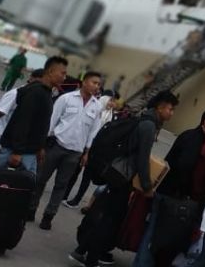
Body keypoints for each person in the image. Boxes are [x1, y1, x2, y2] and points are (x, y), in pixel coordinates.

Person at [72, 90, 179, 267]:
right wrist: (147, 186)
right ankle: (90, 259)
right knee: (109, 219)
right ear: (160, 108)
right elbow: (142, 159)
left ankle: (81, 250)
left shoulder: (145, 119)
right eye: (170, 109)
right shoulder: (148, 126)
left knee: (105, 214)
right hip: (123, 178)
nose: (171, 113)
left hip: (117, 175)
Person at [135, 106, 205, 267]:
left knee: (158, 236)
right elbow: (184, 167)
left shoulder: (203, 141)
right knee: (155, 237)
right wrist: (185, 194)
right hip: (172, 196)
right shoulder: (194, 140)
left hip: (176, 197)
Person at [31, 70, 106, 229]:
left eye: (99, 84)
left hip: (75, 153)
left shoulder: (97, 107)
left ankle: (48, 216)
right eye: (94, 82)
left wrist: (87, 152)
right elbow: (51, 121)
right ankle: (31, 209)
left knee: (61, 185)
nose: (96, 86)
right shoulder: (66, 99)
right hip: (56, 145)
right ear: (84, 82)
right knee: (40, 179)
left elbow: (94, 131)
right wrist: (43, 145)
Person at [0, 55, 68, 175]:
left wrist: (40, 147)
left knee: (23, 190)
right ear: (50, 71)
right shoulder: (35, 92)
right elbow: (23, 121)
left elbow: (39, 124)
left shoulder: (46, 93)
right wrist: (17, 152)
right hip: (19, 154)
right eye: (62, 73)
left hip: (30, 152)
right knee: (7, 190)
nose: (64, 78)